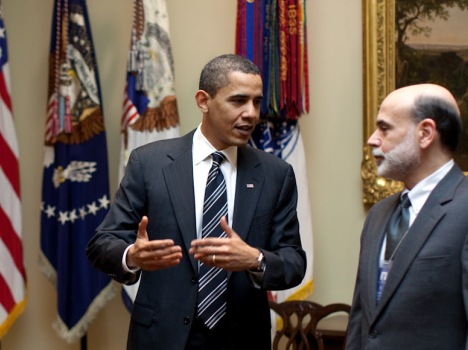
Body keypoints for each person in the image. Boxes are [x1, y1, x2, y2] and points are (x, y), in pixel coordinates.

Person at [86, 54, 306, 350]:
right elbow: (102, 243)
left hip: (241, 339)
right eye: (238, 101)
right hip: (162, 337)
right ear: (204, 101)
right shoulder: (149, 163)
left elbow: (294, 261)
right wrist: (131, 256)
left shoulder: (276, 174)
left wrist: (255, 259)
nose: (251, 113)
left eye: (256, 101)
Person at [346, 83, 468, 349]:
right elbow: (361, 321)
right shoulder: (378, 215)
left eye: (384, 128)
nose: (372, 139)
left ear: (426, 133)